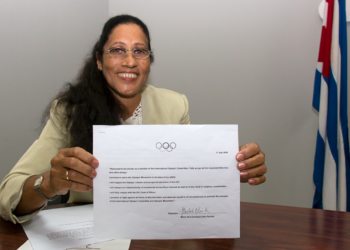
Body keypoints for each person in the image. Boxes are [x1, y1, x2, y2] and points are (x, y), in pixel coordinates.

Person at [0, 15, 267, 224]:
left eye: (140, 51)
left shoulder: (175, 105)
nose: (130, 61)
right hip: (96, 236)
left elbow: (183, 180)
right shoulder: (69, 110)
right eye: (117, 50)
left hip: (157, 232)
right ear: (99, 61)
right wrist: (48, 184)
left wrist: (229, 171)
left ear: (150, 61)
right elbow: (7, 195)